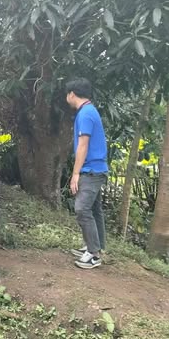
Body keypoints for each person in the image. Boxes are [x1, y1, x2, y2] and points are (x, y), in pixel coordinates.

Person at [66, 78, 108, 269]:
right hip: (96, 168)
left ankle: (93, 254)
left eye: (67, 94)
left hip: (91, 170)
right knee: (94, 210)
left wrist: (75, 174)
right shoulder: (89, 110)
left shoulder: (85, 114)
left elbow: (83, 145)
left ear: (72, 94)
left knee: (82, 209)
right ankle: (95, 246)